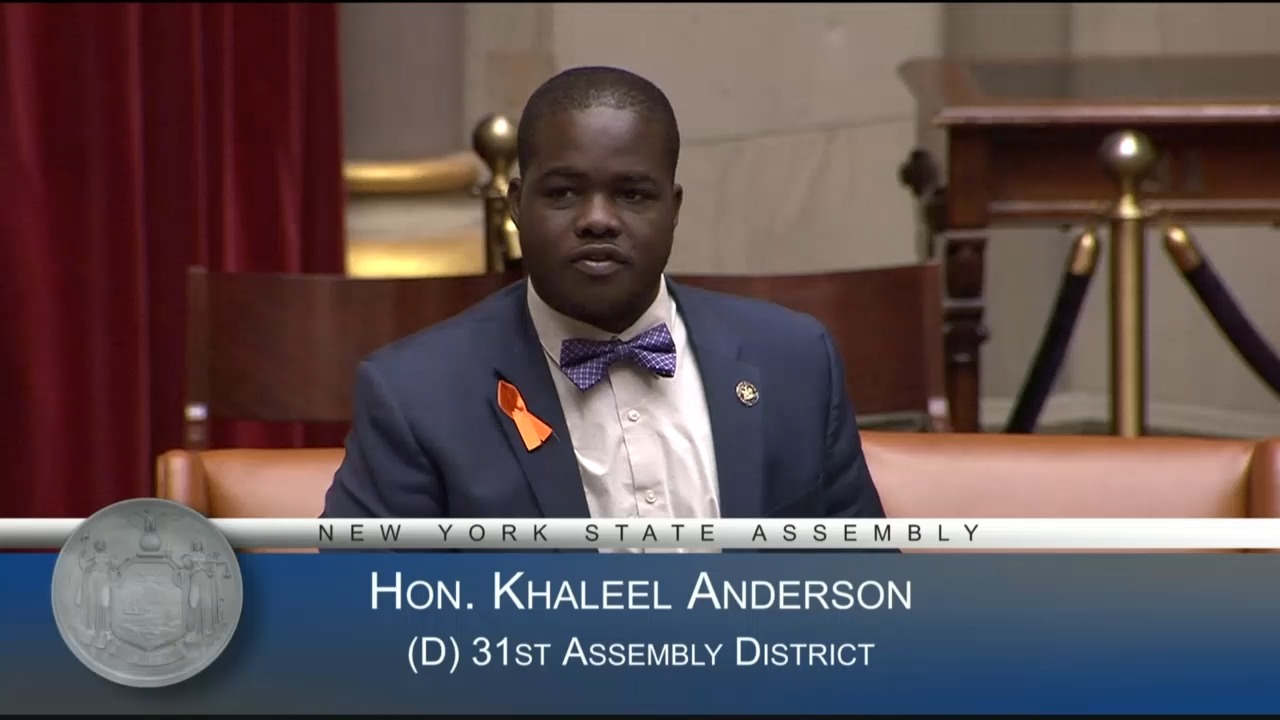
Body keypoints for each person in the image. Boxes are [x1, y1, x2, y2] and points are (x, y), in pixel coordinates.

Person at [321, 65, 889, 533]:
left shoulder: (794, 362)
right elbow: (365, 610)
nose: (597, 219)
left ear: (673, 208)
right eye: (564, 192)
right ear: (517, 205)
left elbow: (862, 591)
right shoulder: (415, 396)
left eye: (632, 194)